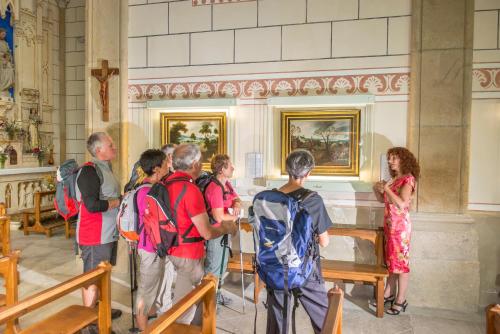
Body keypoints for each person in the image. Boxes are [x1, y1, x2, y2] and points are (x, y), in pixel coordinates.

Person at [146, 143, 237, 324]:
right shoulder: (190, 189)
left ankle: (195, 325)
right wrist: (227, 227)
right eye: (201, 161)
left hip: (171, 247)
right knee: (188, 304)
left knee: (191, 295)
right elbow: (207, 232)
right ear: (195, 164)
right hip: (188, 253)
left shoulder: (166, 182)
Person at [265, 150, 332, 334]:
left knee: (277, 322)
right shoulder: (313, 200)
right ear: (308, 173)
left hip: (275, 266)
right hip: (305, 268)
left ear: (287, 169)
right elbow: (324, 242)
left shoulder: (270, 198)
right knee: (324, 318)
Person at [76, 132, 122, 333]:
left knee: (103, 274)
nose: (114, 147)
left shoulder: (106, 168)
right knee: (92, 279)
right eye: (110, 144)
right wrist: (117, 202)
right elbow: (92, 205)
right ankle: (89, 324)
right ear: (98, 150)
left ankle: (101, 310)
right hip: (95, 234)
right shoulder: (88, 171)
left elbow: (109, 196)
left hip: (108, 232)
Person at [373, 147, 420, 315]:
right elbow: (383, 201)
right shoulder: (394, 179)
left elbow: (401, 204)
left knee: (400, 264)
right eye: (389, 158)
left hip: (400, 229)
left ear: (403, 160)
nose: (390, 161)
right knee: (391, 262)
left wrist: (386, 189)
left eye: (394, 158)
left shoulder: (408, 179)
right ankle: (388, 293)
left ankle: (401, 300)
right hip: (389, 226)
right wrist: (377, 188)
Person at [134, 149, 173, 330]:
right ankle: (142, 328)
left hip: (152, 246)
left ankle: (149, 314)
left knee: (151, 287)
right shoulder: (148, 192)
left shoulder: (146, 187)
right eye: (166, 163)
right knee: (145, 289)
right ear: (157, 168)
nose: (168, 166)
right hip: (150, 248)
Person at [203, 154, 241, 305]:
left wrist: (237, 205)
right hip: (215, 232)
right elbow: (218, 217)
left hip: (224, 232)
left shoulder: (226, 184)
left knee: (222, 264)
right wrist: (235, 218)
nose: (233, 167)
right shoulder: (215, 188)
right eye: (229, 165)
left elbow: (236, 198)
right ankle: (207, 303)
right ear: (221, 169)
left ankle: (216, 296)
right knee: (213, 267)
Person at [0, 27, 14, 97]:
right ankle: (1, 87)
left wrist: (8, 56)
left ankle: (5, 88)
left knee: (10, 70)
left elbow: (9, 52)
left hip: (6, 60)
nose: (4, 35)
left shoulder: (6, 43)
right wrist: (3, 55)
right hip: (1, 61)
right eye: (2, 34)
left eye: (4, 34)